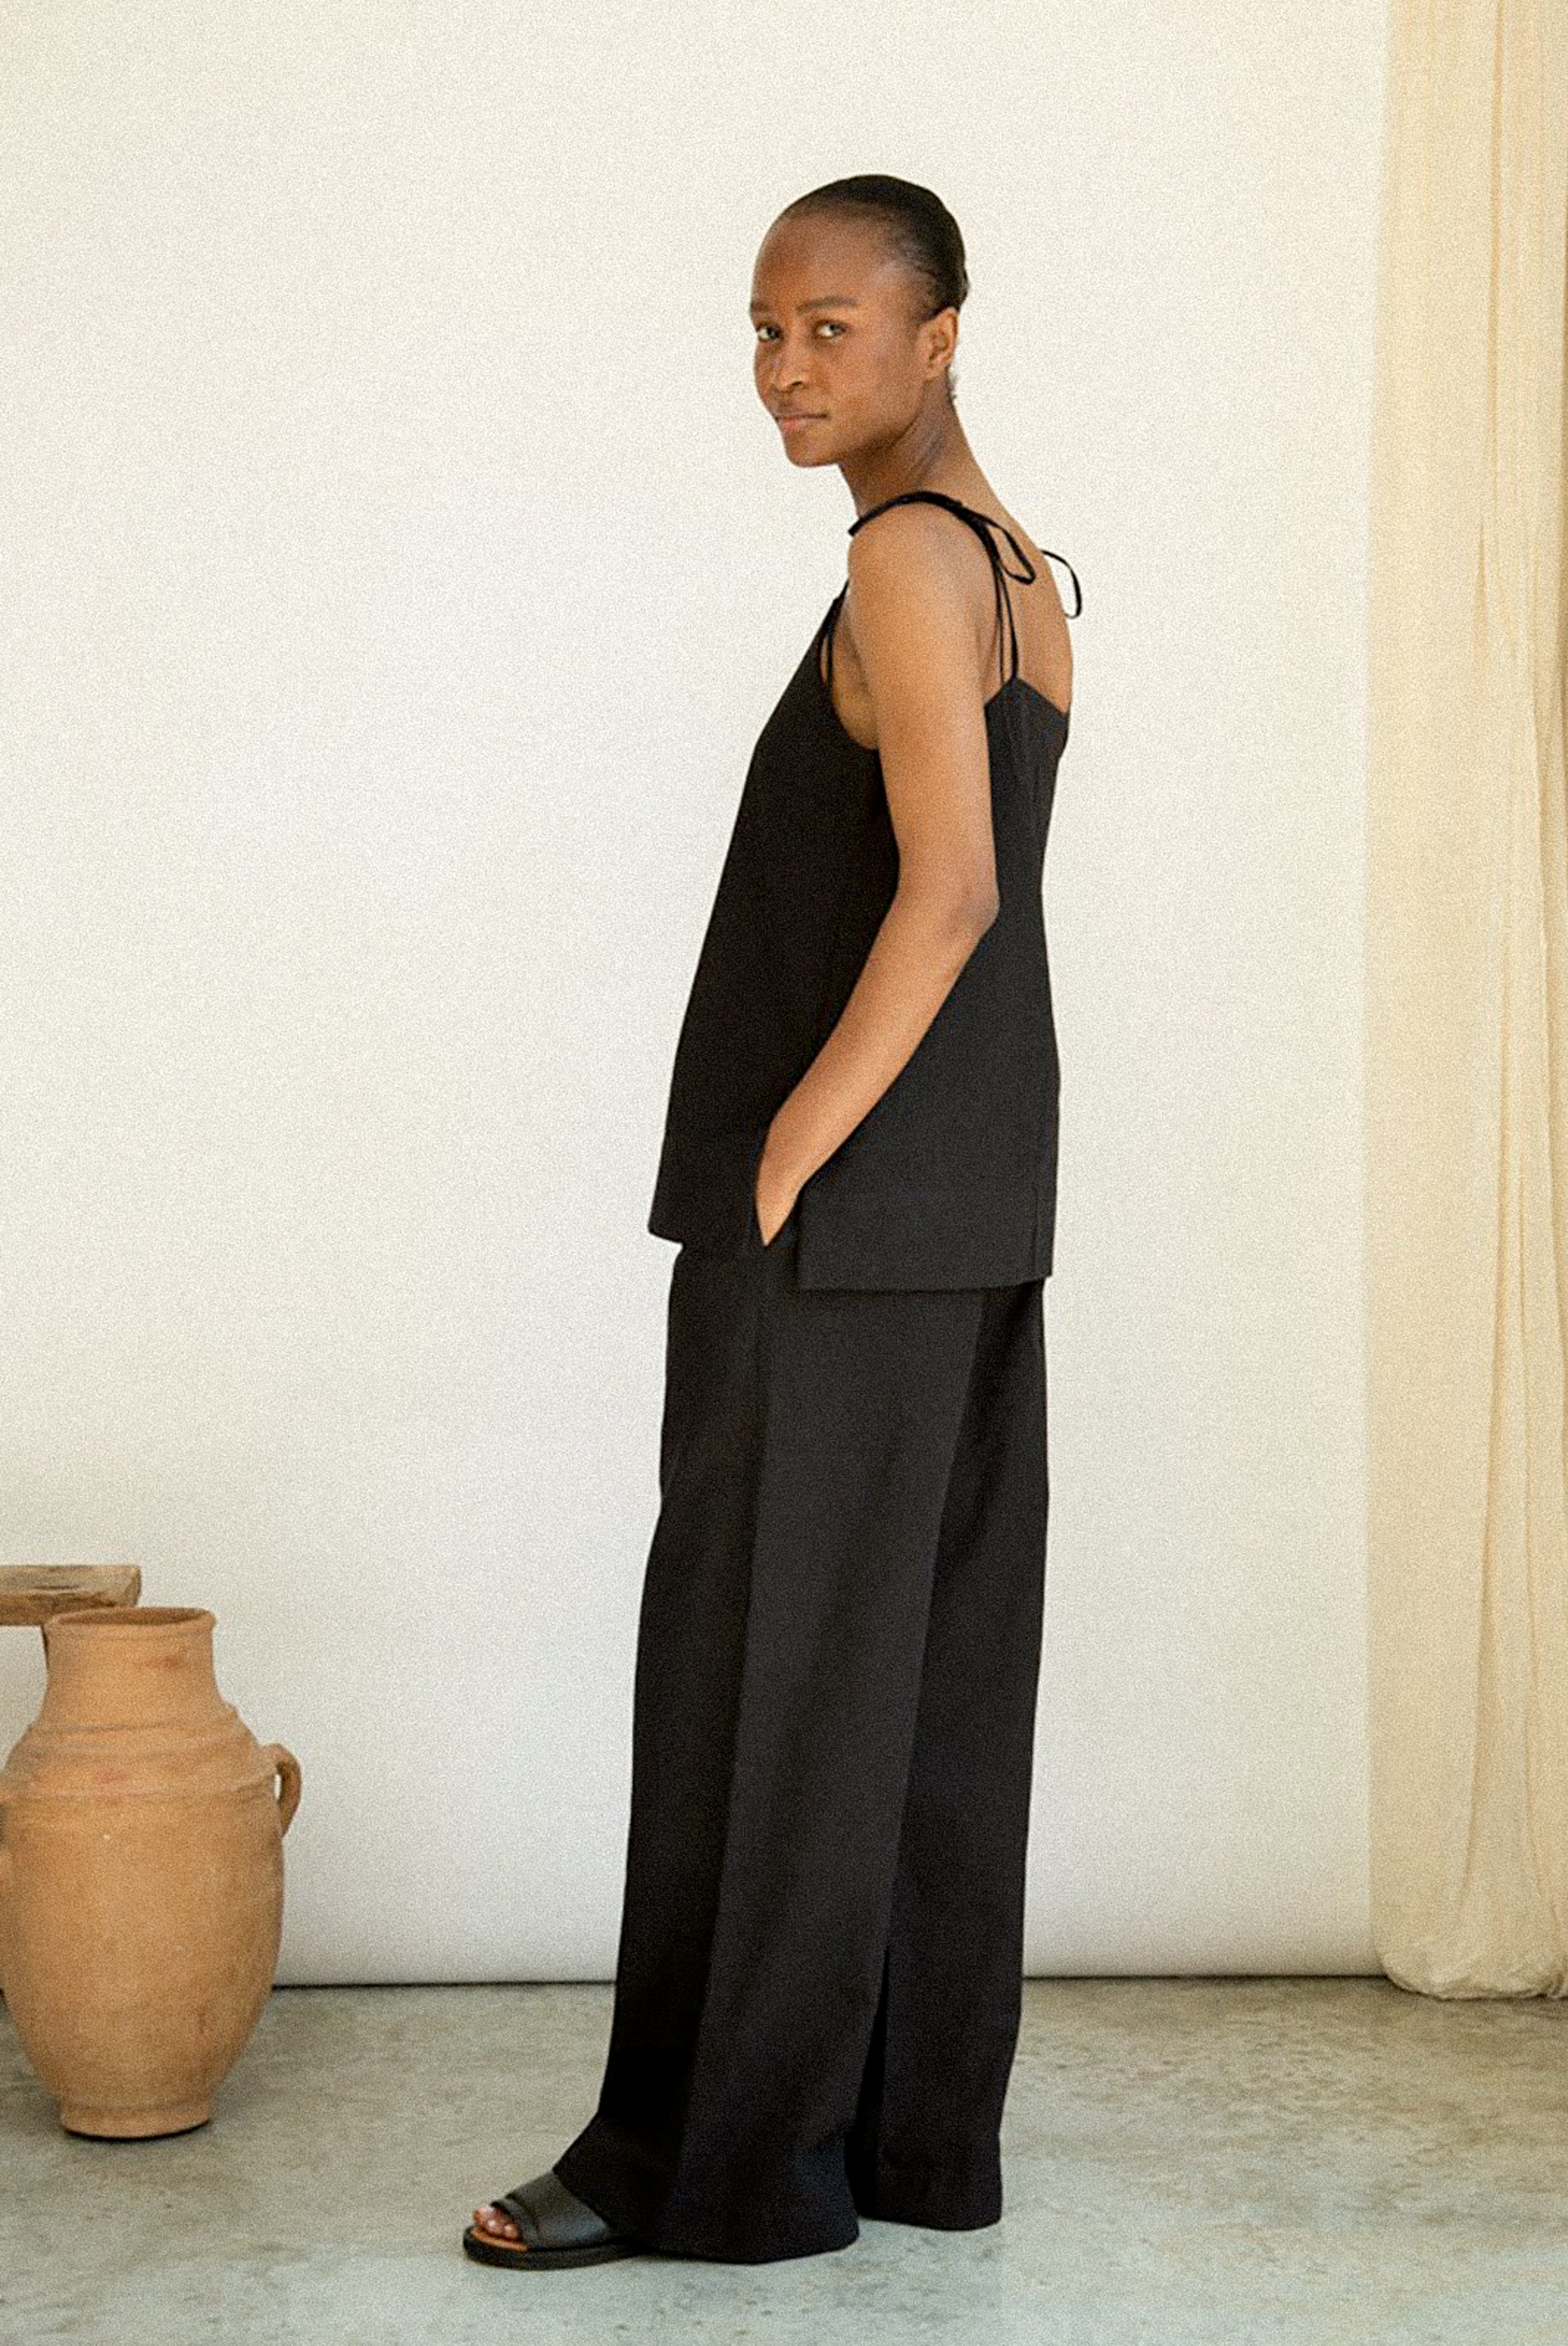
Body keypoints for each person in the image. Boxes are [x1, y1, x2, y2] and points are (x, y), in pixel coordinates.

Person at [465, 171, 1080, 2272]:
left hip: (842, 1226)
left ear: (938, 337)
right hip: (972, 1210)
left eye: (831, 326)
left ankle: (704, 2169)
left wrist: (785, 1148)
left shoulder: (908, 559)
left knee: (756, 1694)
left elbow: (954, 891)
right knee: (915, 1695)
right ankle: (907, 2145)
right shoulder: (1022, 568)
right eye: (762, 328)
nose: (785, 369)